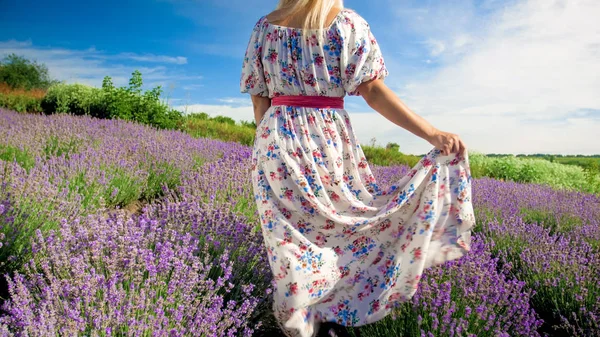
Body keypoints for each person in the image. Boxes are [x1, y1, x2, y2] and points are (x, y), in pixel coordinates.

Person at [240, 1, 476, 336]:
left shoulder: (264, 27)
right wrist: (433, 134)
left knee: (288, 239)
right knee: (345, 224)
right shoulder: (346, 23)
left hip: (275, 139)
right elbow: (373, 92)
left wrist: (268, 149)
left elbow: (258, 100)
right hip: (326, 139)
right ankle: (328, 314)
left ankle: (299, 317)